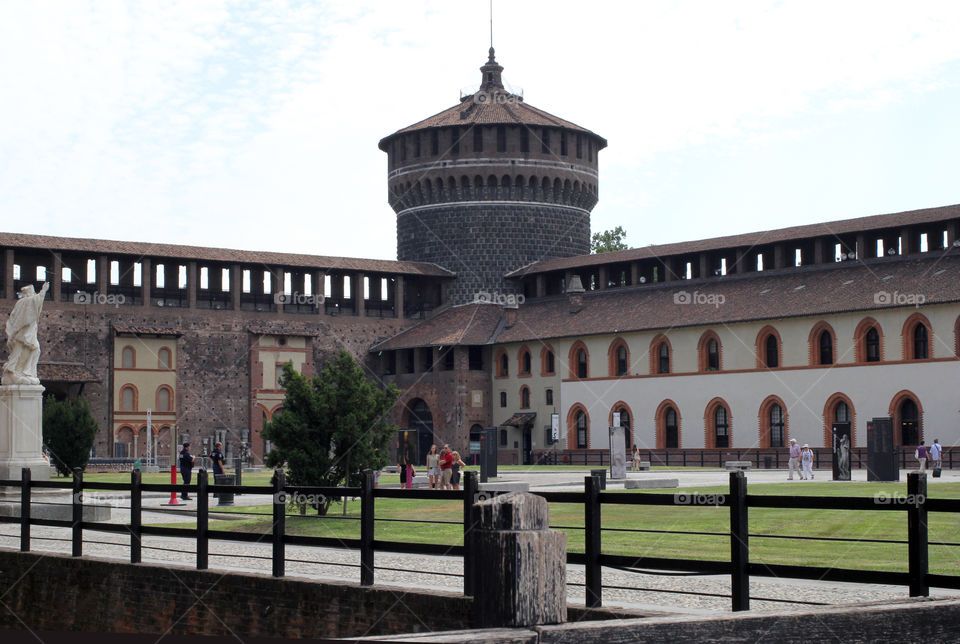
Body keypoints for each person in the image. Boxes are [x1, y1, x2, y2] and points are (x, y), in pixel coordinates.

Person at [2, 282, 50, 385]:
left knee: (35, 350)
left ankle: (27, 372)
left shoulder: (23, 302)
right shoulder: (25, 302)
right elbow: (36, 300)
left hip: (28, 333)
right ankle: (13, 371)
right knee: (20, 353)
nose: (33, 294)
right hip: (23, 334)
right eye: (32, 292)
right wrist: (43, 291)